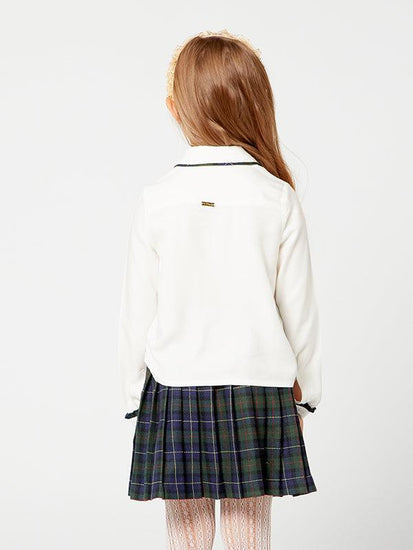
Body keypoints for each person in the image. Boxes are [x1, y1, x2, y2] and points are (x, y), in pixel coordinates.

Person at [118, 29, 322, 550]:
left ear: (175, 107)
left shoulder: (158, 199)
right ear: (253, 103)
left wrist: (133, 393)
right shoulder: (276, 198)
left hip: (174, 382)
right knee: (249, 534)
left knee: (186, 537)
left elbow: (137, 311)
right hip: (259, 385)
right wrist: (307, 397)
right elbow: (299, 312)